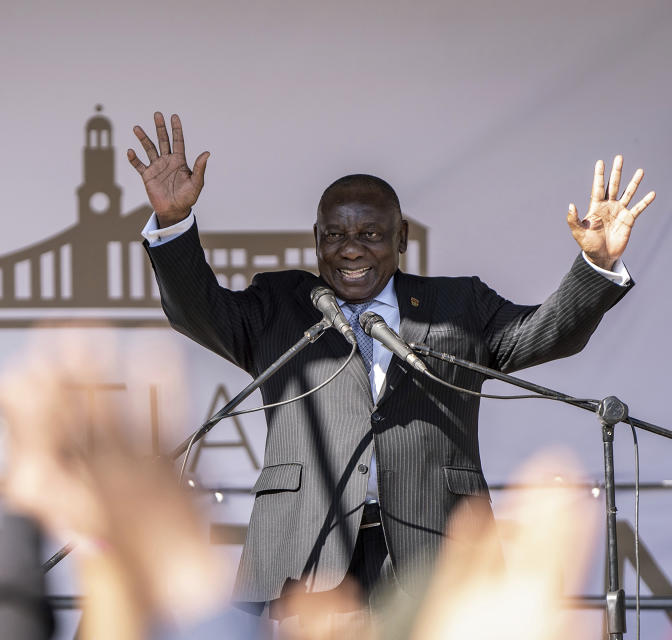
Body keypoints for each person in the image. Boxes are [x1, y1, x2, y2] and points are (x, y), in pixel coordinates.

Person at [127, 112, 655, 619]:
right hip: (304, 552)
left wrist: (597, 263)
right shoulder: (282, 304)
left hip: (436, 551)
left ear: (401, 238)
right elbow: (197, 310)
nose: (350, 250)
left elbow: (546, 333)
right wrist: (174, 223)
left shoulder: (459, 305)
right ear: (316, 240)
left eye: (370, 235)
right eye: (334, 235)